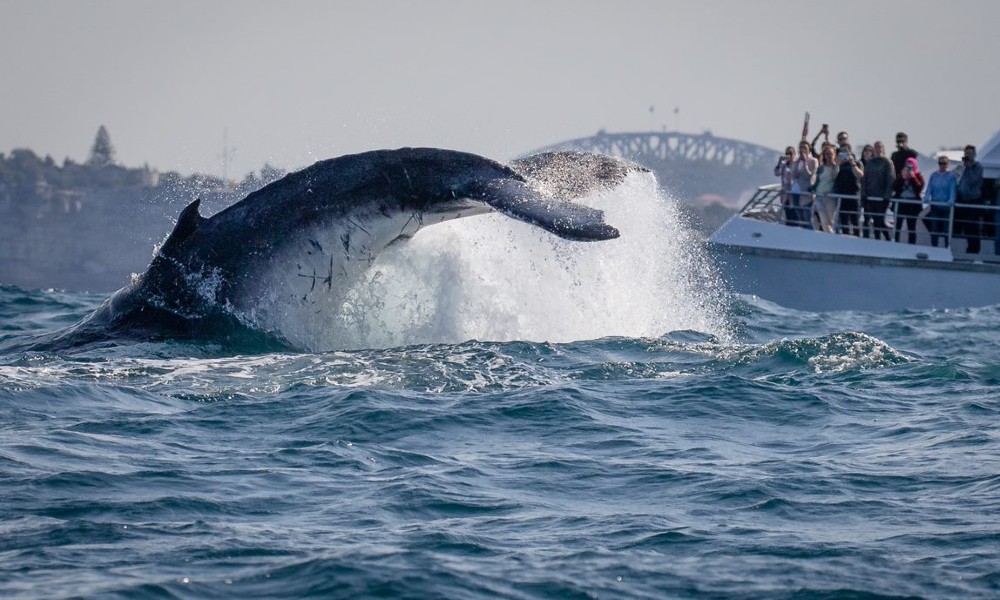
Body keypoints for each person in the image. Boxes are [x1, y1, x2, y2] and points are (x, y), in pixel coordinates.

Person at [860, 141, 895, 240]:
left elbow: (890, 180)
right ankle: (866, 241)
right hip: (869, 196)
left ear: (883, 149)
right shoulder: (870, 163)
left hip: (881, 198)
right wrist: (863, 194)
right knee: (867, 220)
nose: (878, 149)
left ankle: (886, 239)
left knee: (878, 221)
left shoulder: (887, 162)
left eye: (880, 147)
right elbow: (865, 179)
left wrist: (887, 196)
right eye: (876, 147)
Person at [922, 155, 957, 248]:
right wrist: (926, 198)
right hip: (935, 206)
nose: (942, 165)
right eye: (940, 163)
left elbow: (952, 189)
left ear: (948, 164)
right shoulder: (934, 175)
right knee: (934, 228)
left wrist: (951, 200)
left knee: (946, 229)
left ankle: (947, 248)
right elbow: (930, 188)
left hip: (946, 207)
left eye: (944, 163)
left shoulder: (951, 176)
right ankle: (934, 247)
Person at [956, 144, 985, 253]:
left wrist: (969, 167)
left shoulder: (978, 167)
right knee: (965, 226)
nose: (968, 155)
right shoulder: (962, 166)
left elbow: (975, 181)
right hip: (963, 200)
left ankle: (974, 249)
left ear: (974, 154)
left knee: (973, 226)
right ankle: (969, 248)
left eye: (970, 153)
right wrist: (961, 166)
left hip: (973, 200)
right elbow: (954, 176)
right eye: (966, 153)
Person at [833, 144, 863, 235]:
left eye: (846, 152)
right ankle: (845, 238)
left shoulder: (857, 163)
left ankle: (857, 237)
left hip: (854, 195)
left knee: (855, 220)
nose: (844, 154)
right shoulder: (838, 164)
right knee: (844, 220)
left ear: (850, 152)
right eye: (842, 152)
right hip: (842, 195)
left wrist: (852, 163)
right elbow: (834, 176)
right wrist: (837, 164)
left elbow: (860, 175)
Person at [893, 157, 924, 244]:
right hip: (901, 203)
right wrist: (902, 178)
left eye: (911, 165)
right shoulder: (901, 174)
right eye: (907, 165)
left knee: (911, 226)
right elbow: (895, 187)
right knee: (898, 225)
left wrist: (913, 178)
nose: (909, 167)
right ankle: (895, 242)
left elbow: (919, 188)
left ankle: (912, 244)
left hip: (912, 205)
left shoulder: (918, 175)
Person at [790, 140, 818, 227]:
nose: (802, 150)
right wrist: (798, 162)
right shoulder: (796, 162)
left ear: (809, 149)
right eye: (801, 148)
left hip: (806, 192)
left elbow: (809, 175)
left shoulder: (813, 160)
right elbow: (794, 175)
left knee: (807, 216)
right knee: (799, 216)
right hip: (796, 191)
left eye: (804, 148)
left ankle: (809, 233)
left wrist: (805, 163)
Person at [812, 146, 839, 232]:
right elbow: (817, 182)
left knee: (832, 221)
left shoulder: (836, 167)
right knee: (824, 221)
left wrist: (836, 165)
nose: (829, 156)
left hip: (830, 197)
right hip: (819, 196)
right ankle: (829, 238)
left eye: (831, 154)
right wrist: (812, 189)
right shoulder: (821, 168)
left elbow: (835, 178)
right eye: (827, 154)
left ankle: (833, 238)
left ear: (834, 155)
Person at [774, 146, 797, 226]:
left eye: (790, 153)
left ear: (794, 154)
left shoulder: (796, 165)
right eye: (787, 153)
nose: (788, 155)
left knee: (794, 213)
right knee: (787, 213)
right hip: (785, 195)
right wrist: (779, 162)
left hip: (793, 194)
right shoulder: (783, 165)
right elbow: (777, 173)